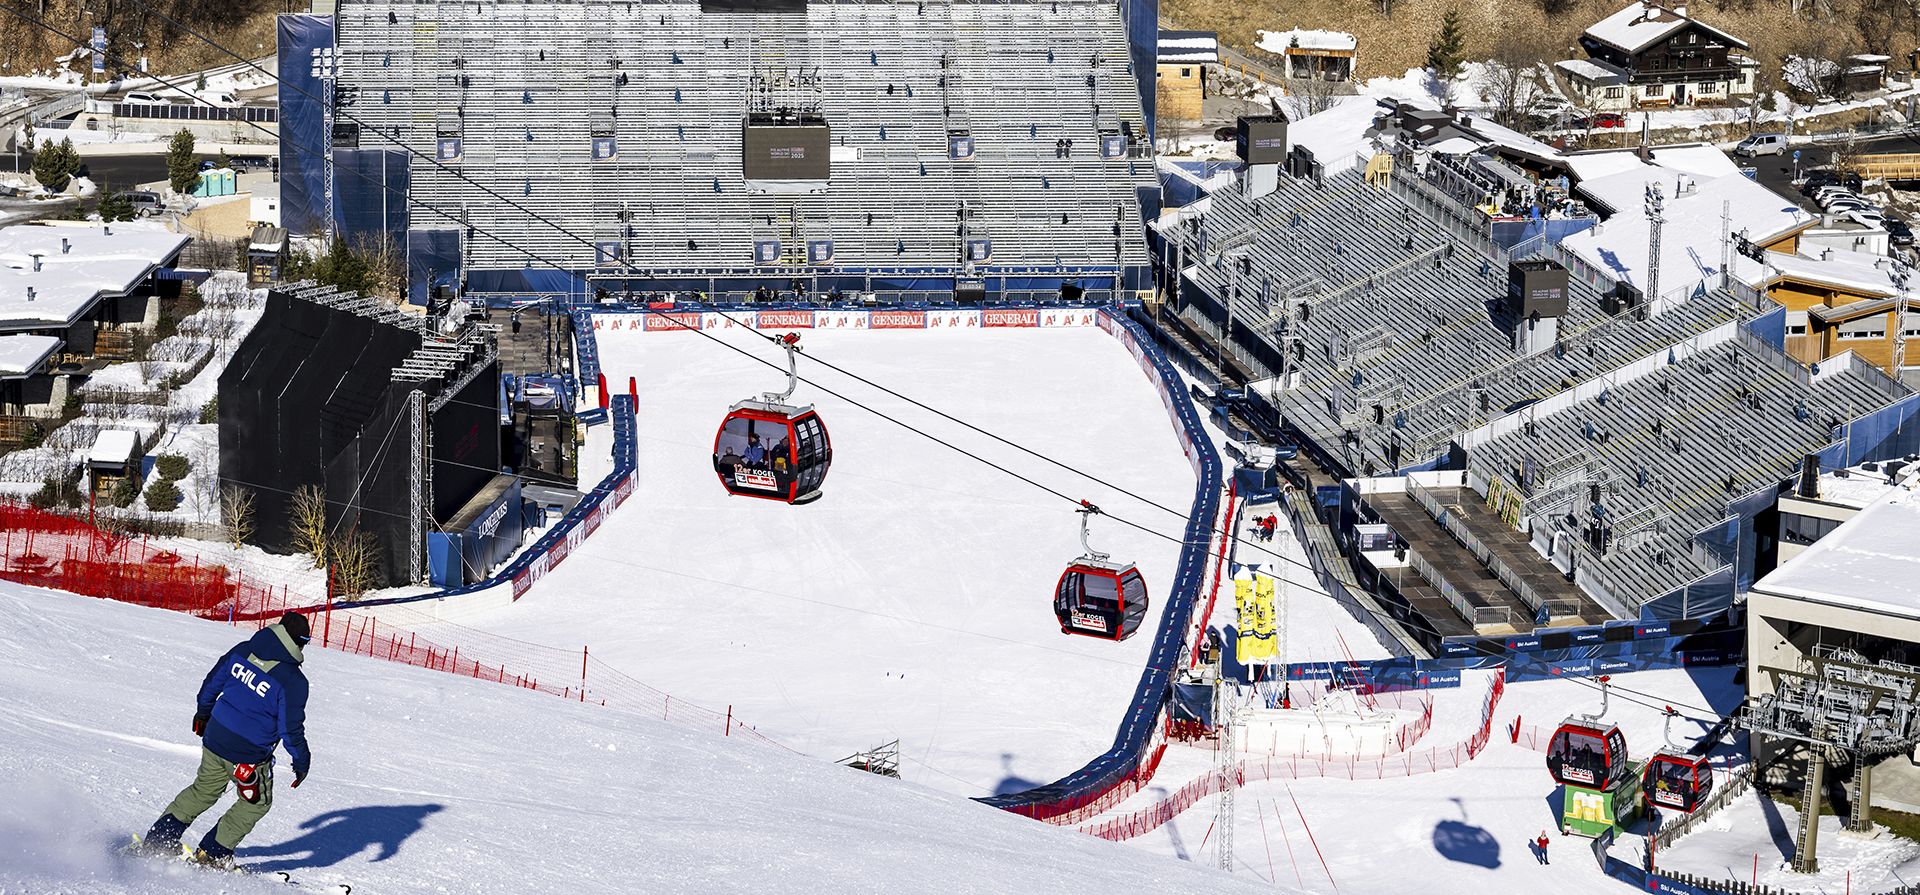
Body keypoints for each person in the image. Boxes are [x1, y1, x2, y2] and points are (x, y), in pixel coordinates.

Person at [140, 612, 313, 868]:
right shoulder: (293, 681)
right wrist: (301, 761)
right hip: (248, 754)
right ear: (299, 642)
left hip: (215, 736)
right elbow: (290, 728)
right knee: (255, 804)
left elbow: (212, 683)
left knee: (203, 790)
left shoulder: (243, 650)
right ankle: (212, 854)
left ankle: (158, 841)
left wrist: (203, 713)